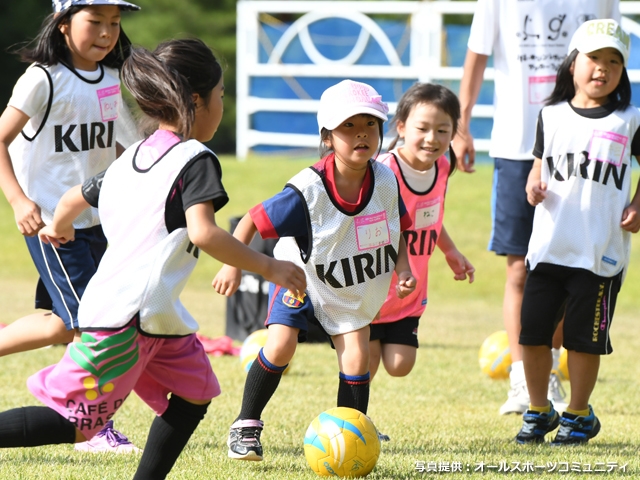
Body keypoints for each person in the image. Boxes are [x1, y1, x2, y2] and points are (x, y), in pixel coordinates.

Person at [0, 38, 306, 480]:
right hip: (125, 319)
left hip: (158, 319)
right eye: (220, 96)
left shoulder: (134, 157)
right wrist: (268, 266)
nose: (222, 105)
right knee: (78, 424)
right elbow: (203, 231)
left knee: (195, 392)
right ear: (196, 101)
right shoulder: (194, 159)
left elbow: (75, 196)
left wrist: (60, 224)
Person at [213, 79, 416, 462]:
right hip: (299, 278)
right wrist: (232, 265)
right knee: (281, 344)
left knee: (357, 356)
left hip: (345, 288)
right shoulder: (308, 190)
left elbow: (398, 227)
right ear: (327, 137)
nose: (361, 134)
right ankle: (245, 426)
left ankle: (351, 435)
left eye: (370, 124)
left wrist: (403, 267)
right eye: (348, 127)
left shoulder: (386, 180)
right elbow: (252, 221)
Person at [452, 0, 621, 415]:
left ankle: (551, 375)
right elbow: (476, 55)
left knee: (572, 271)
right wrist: (462, 124)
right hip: (516, 144)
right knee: (520, 269)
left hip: (584, 148)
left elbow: (614, 55)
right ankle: (523, 377)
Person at [0, 0, 141, 452]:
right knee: (94, 327)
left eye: (114, 23)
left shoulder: (113, 80)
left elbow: (124, 150)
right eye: (94, 21)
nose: (106, 32)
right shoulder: (42, 79)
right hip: (53, 226)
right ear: (63, 25)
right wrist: (20, 201)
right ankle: (93, 430)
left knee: (64, 324)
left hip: (100, 223)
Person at [514, 18, 640, 445]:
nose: (602, 69)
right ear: (573, 64)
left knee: (583, 343)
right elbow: (539, 166)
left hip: (598, 255)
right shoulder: (550, 116)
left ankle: (579, 414)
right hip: (549, 248)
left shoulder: (630, 121)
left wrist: (638, 203)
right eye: (593, 59)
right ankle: (537, 409)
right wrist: (533, 184)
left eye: (613, 62)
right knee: (531, 335)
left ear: (622, 73)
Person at [370, 83, 474, 418]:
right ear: (400, 127)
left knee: (400, 365)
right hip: (372, 287)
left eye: (443, 130)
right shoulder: (383, 170)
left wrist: (451, 251)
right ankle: (354, 422)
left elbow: (431, 217)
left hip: (410, 293)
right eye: (423, 128)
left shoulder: (443, 168)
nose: (432, 138)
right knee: (364, 365)